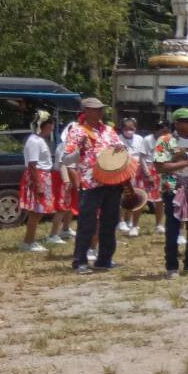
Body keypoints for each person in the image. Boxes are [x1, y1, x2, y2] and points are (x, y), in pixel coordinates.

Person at [62, 97, 127, 274]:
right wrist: (78, 151)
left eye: (101, 109)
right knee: (87, 223)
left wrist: (121, 150)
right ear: (87, 111)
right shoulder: (78, 131)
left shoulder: (108, 130)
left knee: (110, 221)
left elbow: (121, 148)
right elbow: (66, 158)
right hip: (91, 182)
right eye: (96, 109)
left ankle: (105, 259)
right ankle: (80, 261)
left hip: (112, 181)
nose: (100, 112)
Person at [153, 109, 188, 279]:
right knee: (173, 229)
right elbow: (160, 166)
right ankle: (172, 267)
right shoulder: (165, 140)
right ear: (177, 123)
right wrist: (187, 162)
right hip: (173, 188)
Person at [19, 112, 59, 252]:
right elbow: (32, 165)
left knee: (39, 211)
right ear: (45, 125)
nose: (52, 128)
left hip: (43, 176)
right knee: (36, 211)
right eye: (51, 125)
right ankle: (28, 242)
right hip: (38, 177)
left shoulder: (39, 140)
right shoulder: (34, 141)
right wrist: (38, 185)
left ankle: (30, 241)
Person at [117, 118, 157, 238]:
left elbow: (142, 155)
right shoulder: (118, 139)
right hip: (123, 169)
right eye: (126, 128)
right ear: (122, 129)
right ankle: (121, 221)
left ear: (135, 128)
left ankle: (130, 220)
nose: (129, 131)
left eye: (132, 128)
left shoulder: (139, 139)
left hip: (137, 170)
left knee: (134, 195)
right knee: (123, 195)